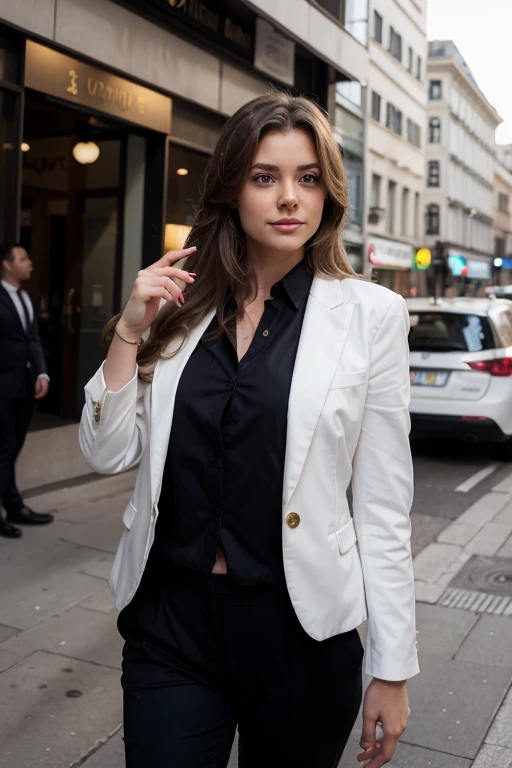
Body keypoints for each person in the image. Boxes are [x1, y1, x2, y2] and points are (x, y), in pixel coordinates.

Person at [79, 93, 419, 768]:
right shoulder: (182, 305)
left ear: (329, 193)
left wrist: (392, 666)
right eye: (266, 177)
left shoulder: (370, 315)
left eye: (308, 177)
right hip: (172, 622)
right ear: (232, 188)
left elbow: (382, 508)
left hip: (301, 633)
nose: (290, 197)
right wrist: (126, 332)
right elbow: (105, 451)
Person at [0, 244, 53, 539]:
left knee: (12, 448)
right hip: (2, 387)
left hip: (23, 386)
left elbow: (32, 339)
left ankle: (14, 505)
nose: (30, 263)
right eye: (23, 259)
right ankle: (10, 507)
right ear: (7, 264)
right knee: (4, 450)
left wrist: (41, 371)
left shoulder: (29, 297)